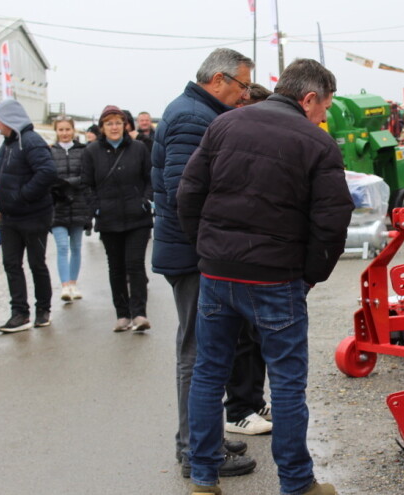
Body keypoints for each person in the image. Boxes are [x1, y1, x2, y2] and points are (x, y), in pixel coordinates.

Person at [178, 58, 353, 495]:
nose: (324, 117)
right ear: (308, 98)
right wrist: (310, 276)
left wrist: (208, 249)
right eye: (324, 107)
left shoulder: (225, 125)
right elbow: (332, 221)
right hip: (277, 279)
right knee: (288, 383)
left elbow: (188, 192)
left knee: (208, 373)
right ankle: (296, 483)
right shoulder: (317, 143)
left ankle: (202, 474)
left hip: (219, 274)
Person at [151, 48, 258, 482]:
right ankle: (197, 453)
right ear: (218, 80)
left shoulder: (196, 112)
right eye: (243, 85)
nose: (246, 95)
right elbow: (185, 194)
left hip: (192, 250)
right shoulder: (194, 118)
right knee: (198, 354)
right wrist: (217, 244)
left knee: (206, 350)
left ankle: (203, 438)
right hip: (194, 254)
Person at [224, 81, 274, 437]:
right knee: (239, 336)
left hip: (257, 251)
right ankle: (237, 409)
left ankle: (253, 400)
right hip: (232, 253)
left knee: (255, 334)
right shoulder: (226, 141)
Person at [82, 105, 153, 332]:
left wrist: (146, 200)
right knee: (116, 268)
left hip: (137, 217)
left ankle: (139, 313)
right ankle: (122, 315)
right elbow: (86, 184)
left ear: (125, 125)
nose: (114, 127)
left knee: (135, 265)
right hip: (109, 218)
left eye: (118, 123)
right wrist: (97, 208)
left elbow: (150, 178)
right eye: (109, 123)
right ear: (102, 127)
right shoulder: (92, 151)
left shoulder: (139, 149)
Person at [0, 98, 58, 333]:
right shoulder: (6, 144)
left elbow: (47, 171)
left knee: (36, 264)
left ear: (9, 119)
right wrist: (4, 205)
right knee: (11, 264)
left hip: (34, 216)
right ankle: (19, 313)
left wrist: (23, 196)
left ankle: (43, 310)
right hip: (9, 219)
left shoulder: (31, 141)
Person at [49, 116, 90, 302]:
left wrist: (68, 183)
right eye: (61, 130)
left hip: (78, 204)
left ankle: (73, 282)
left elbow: (86, 176)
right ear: (56, 131)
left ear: (73, 131)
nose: (64, 133)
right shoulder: (50, 152)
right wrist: (59, 187)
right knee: (62, 246)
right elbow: (47, 176)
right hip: (58, 206)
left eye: (67, 129)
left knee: (76, 246)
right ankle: (64, 285)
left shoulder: (83, 151)